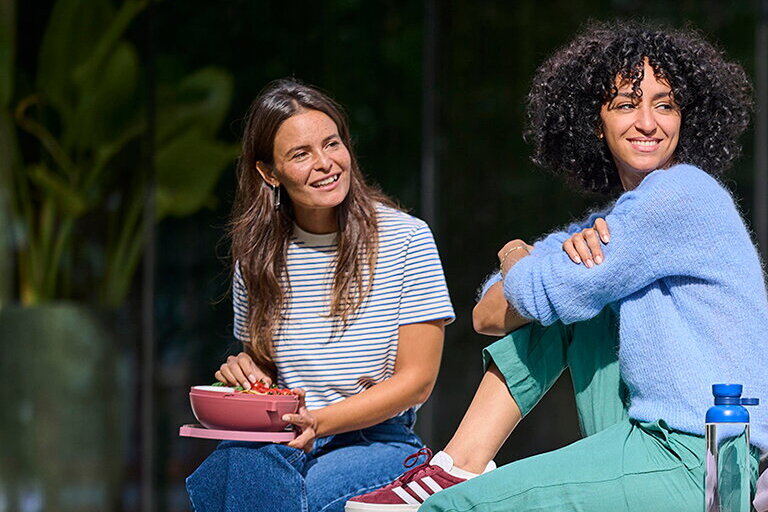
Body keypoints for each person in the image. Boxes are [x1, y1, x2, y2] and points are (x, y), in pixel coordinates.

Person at [347, 20, 767, 512]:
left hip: (701, 453)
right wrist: (535, 271)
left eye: (665, 104)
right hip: (648, 437)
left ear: (685, 118)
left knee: (451, 509)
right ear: (597, 122)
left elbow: (533, 291)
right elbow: (488, 316)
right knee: (568, 306)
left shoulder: (681, 194)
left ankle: (454, 473)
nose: (649, 122)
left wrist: (516, 256)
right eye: (627, 104)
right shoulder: (615, 223)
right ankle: (458, 462)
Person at [185, 78, 457, 512]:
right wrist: (246, 369)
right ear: (268, 172)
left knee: (275, 496)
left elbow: (417, 380)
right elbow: (269, 375)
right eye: (301, 154)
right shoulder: (255, 262)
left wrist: (321, 421)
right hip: (284, 440)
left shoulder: (406, 239)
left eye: (332, 144)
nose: (325, 163)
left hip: (378, 440)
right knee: (233, 469)